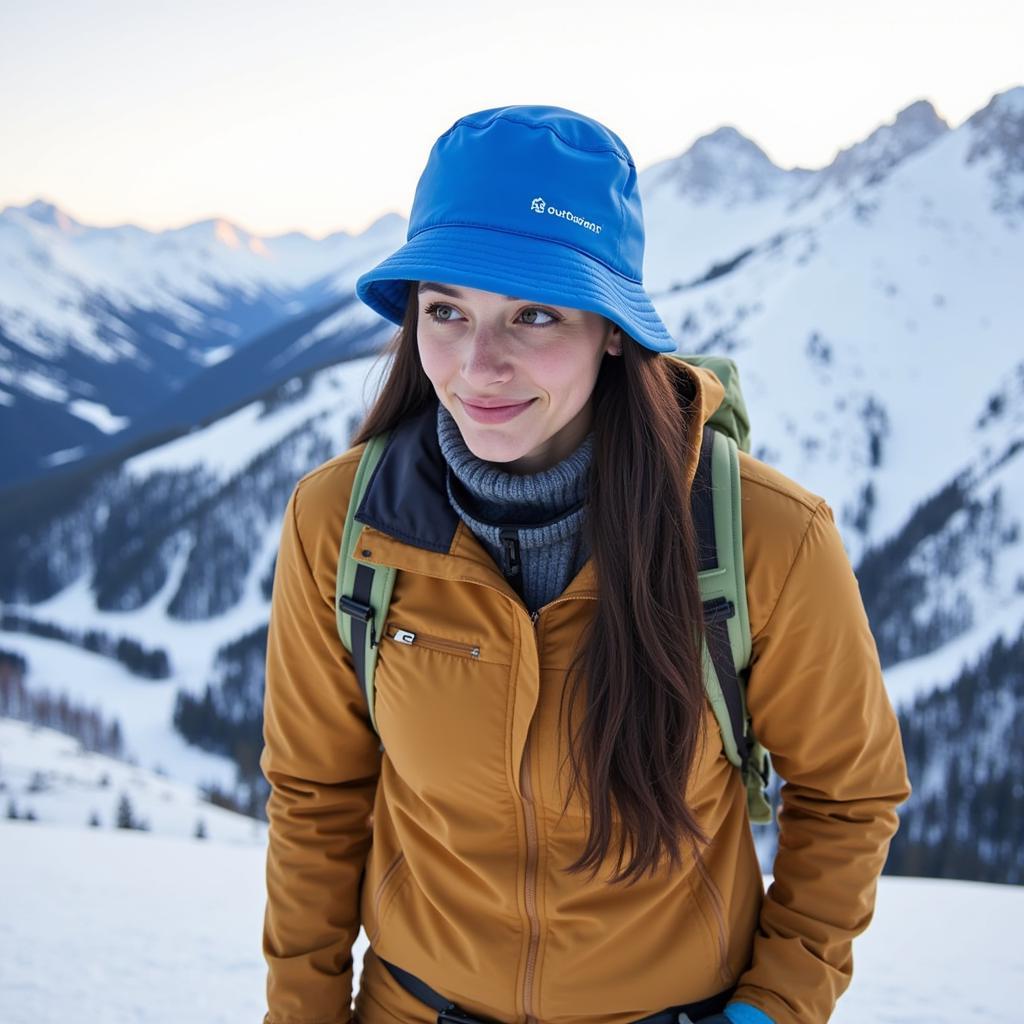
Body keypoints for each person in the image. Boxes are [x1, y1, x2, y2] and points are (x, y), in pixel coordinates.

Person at [259, 105, 912, 1024]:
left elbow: (851, 792)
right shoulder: (342, 524)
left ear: (612, 330)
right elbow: (317, 796)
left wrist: (776, 1007)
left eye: (533, 313)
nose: (479, 365)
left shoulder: (762, 537)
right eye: (445, 311)